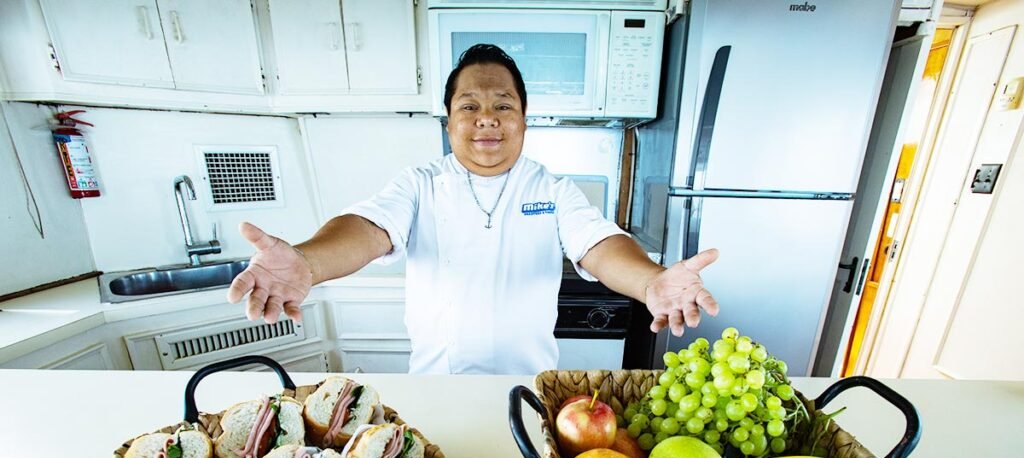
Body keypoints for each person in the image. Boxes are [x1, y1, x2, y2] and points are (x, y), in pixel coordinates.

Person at [227, 44, 719, 374]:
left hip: (531, 389)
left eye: (503, 105)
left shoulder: (553, 188)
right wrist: (309, 261)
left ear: (524, 119)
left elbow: (598, 245)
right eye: (469, 106)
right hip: (438, 386)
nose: (487, 119)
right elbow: (369, 228)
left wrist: (649, 281)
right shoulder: (420, 184)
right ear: (449, 122)